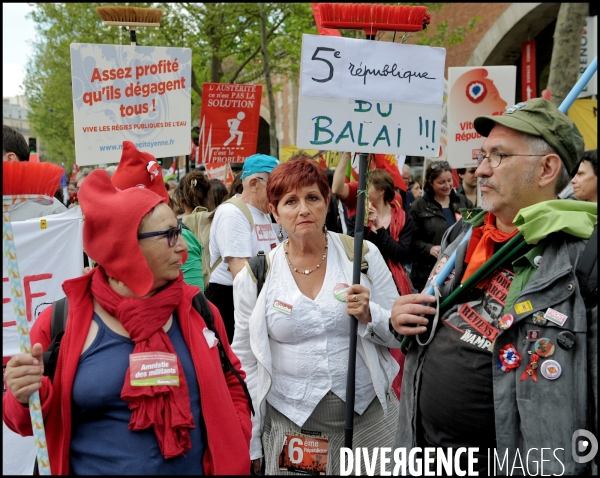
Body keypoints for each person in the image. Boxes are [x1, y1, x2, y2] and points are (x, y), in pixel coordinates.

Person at [391, 98, 597, 475]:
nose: (481, 170)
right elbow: (433, 314)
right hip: (424, 454)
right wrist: (402, 318)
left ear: (547, 168)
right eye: (483, 155)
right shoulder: (464, 235)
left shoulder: (586, 260)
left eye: (498, 156)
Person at [3, 169, 252, 475]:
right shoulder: (59, 324)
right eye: (170, 235)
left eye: (180, 230)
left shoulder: (199, 310)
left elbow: (232, 379)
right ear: (126, 248)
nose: (183, 248)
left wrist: (236, 438)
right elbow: (26, 423)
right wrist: (22, 393)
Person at [232, 158, 401, 475]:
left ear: (327, 201)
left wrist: (371, 315)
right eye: (290, 202)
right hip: (295, 427)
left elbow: (398, 331)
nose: (303, 210)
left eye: (312, 198)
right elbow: (246, 361)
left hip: (370, 422)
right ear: (275, 210)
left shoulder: (361, 256)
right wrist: (253, 440)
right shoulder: (255, 277)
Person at [112, 141, 207, 293]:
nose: (182, 246)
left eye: (172, 233)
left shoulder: (184, 239)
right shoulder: (112, 242)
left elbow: (193, 303)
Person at [206, 154, 281, 343]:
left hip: (258, 296)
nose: (280, 192)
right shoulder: (233, 213)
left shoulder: (264, 212)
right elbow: (242, 276)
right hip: (232, 300)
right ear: (254, 183)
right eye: (275, 186)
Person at [346, 169, 413, 296]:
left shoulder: (404, 219)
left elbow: (401, 254)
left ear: (381, 190)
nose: (362, 191)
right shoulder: (356, 219)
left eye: (366, 187)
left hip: (392, 283)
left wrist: (379, 227)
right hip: (364, 280)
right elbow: (351, 251)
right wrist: (364, 225)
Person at [409, 160, 473, 292]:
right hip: (428, 273)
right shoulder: (419, 206)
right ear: (430, 183)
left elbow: (474, 228)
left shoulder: (462, 201)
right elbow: (411, 241)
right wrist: (429, 248)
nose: (447, 185)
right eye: (441, 182)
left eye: (449, 180)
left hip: (458, 270)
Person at [179, 170, 213, 291]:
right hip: (217, 289)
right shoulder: (220, 220)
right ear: (208, 196)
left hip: (192, 294)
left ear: (180, 200)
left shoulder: (173, 229)